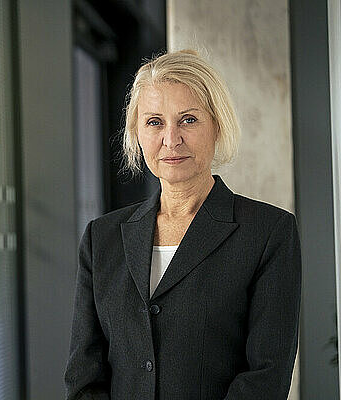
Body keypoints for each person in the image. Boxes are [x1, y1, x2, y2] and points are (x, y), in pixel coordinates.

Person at [63, 50, 302, 400]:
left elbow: (266, 377)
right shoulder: (103, 239)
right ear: (137, 133)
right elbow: (84, 375)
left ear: (216, 125)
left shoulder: (269, 233)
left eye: (188, 120)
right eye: (155, 122)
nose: (171, 139)